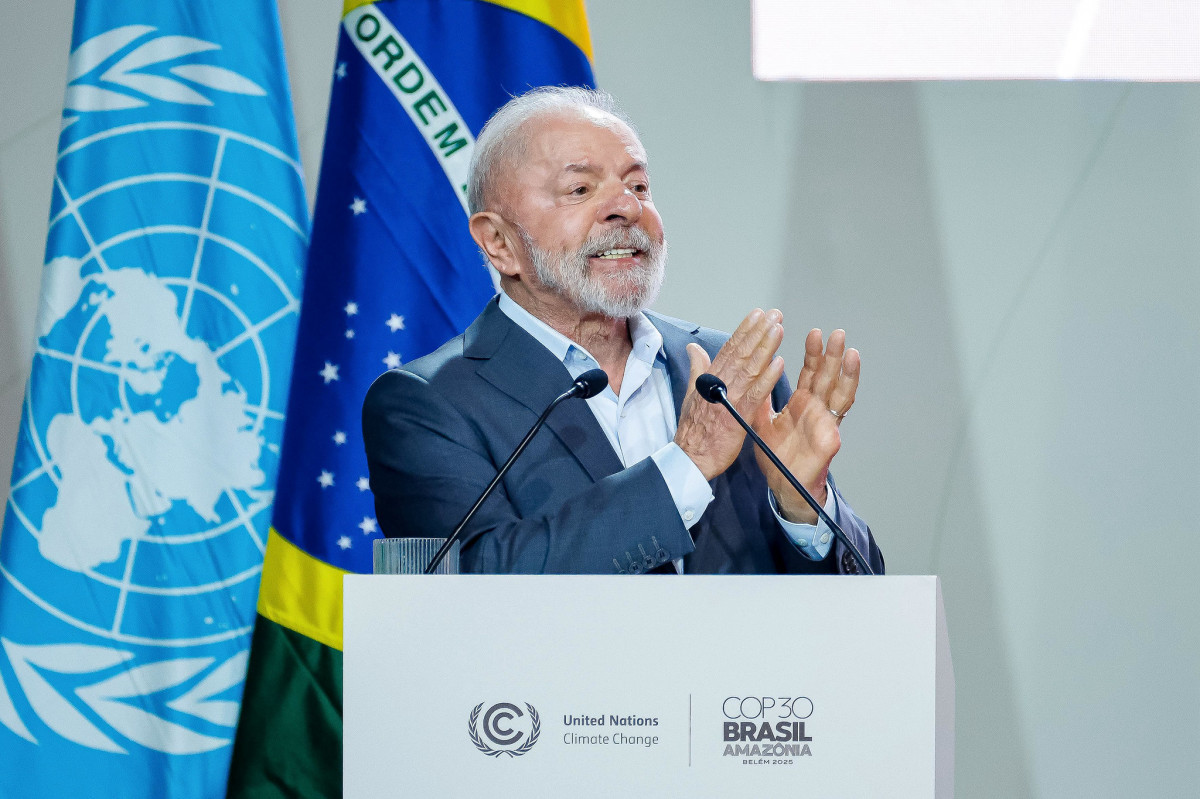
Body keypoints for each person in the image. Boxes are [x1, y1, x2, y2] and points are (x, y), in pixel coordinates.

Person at [362, 87, 883, 575]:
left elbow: (860, 593)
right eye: (580, 189)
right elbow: (476, 585)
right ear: (498, 242)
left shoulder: (726, 373)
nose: (627, 208)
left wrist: (803, 505)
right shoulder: (427, 403)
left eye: (639, 185)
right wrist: (688, 465)